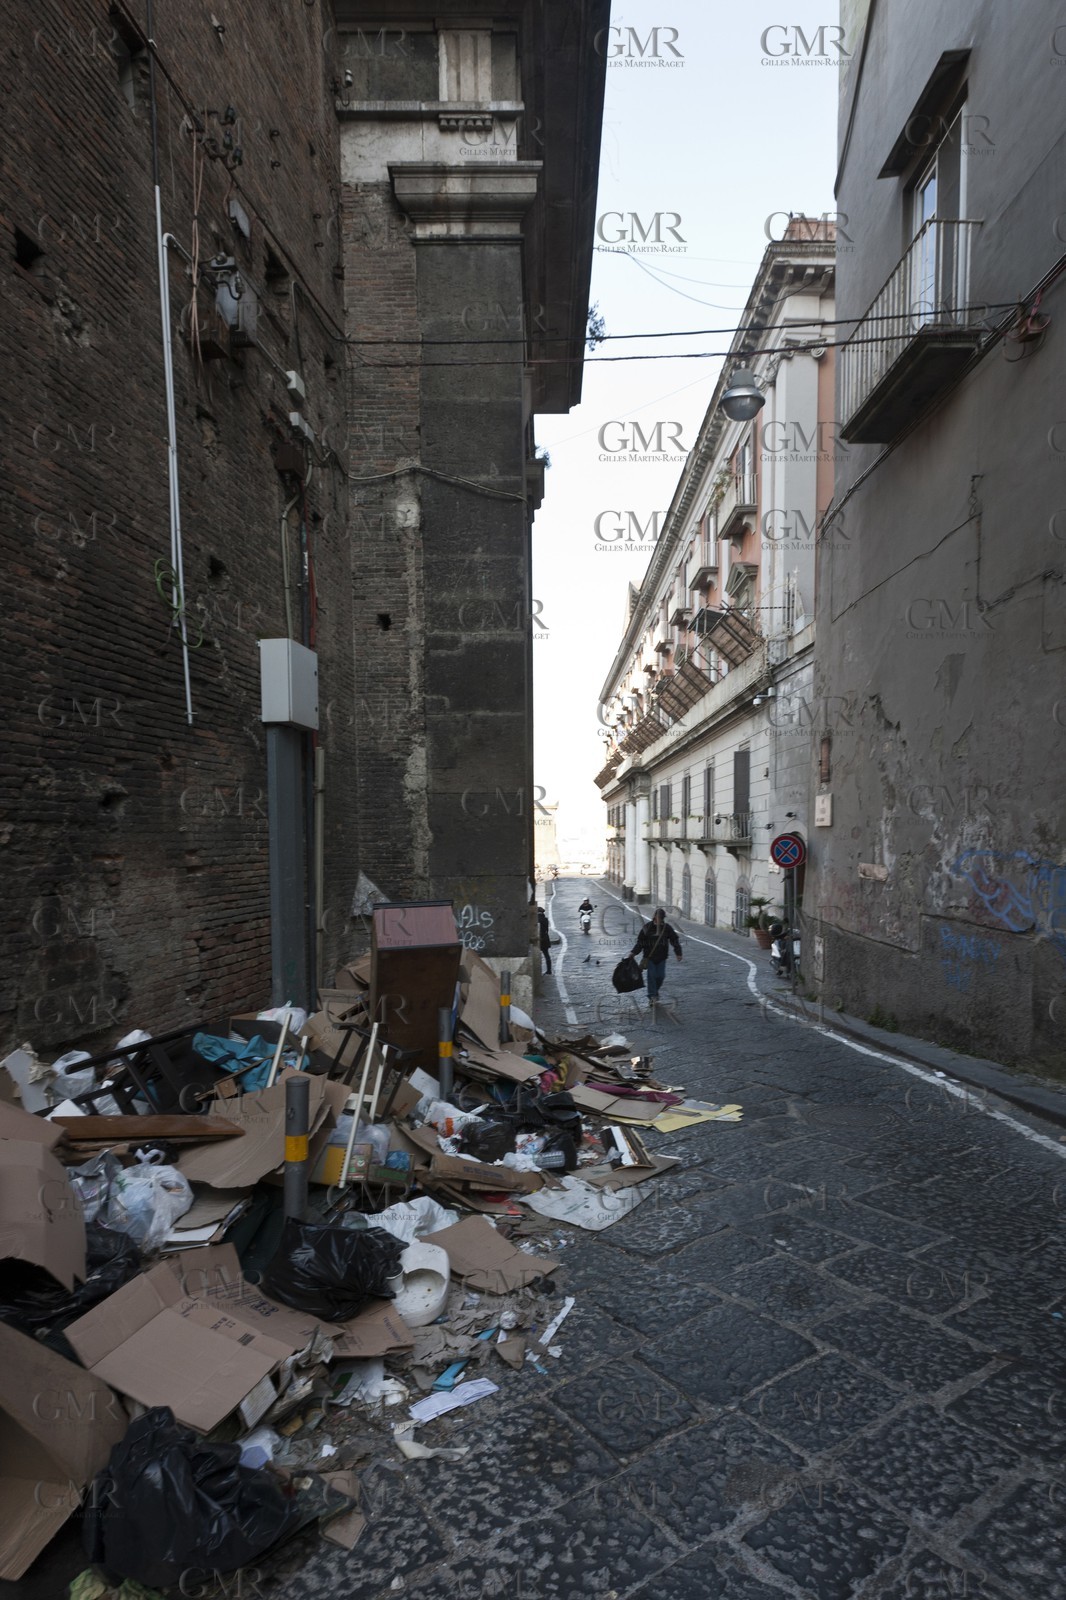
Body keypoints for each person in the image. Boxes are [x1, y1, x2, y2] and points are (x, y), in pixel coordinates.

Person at [630, 908, 682, 1003]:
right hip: (649, 957)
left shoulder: (667, 928)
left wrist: (678, 953)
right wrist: (633, 953)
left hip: (662, 957)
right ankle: (652, 996)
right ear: (654, 917)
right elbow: (640, 943)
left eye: (661, 918)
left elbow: (674, 940)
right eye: (658, 918)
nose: (659, 920)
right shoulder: (647, 928)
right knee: (652, 976)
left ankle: (655, 991)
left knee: (661, 976)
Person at [537, 906, 553, 975]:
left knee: (537, 955)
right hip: (545, 938)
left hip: (539, 938)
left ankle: (537, 971)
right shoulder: (545, 919)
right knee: (546, 954)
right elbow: (547, 929)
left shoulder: (537, 919)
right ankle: (549, 970)